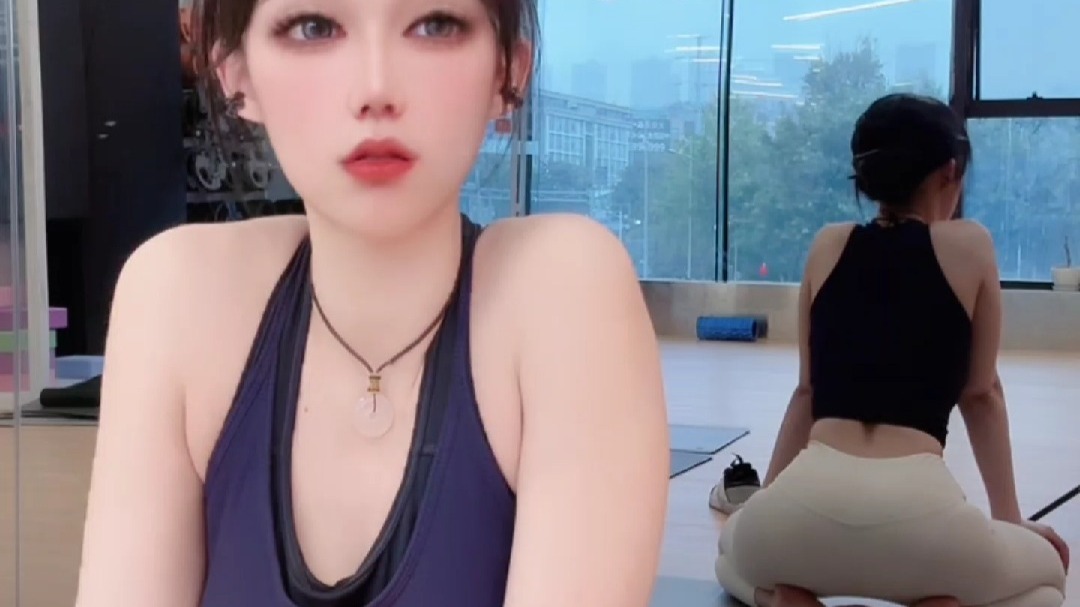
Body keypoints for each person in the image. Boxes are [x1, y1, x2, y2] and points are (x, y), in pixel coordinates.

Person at [73, 0, 670, 605]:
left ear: (508, 73)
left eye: (435, 25)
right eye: (314, 28)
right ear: (235, 73)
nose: (376, 90)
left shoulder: (563, 292)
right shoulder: (179, 294)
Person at [713, 93, 1070, 607]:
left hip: (805, 502)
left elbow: (807, 393)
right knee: (1047, 583)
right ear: (950, 172)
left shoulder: (827, 244)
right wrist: (1011, 524)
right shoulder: (970, 245)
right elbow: (981, 394)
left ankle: (779, 598)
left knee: (729, 555)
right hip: (925, 522)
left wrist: (764, 510)